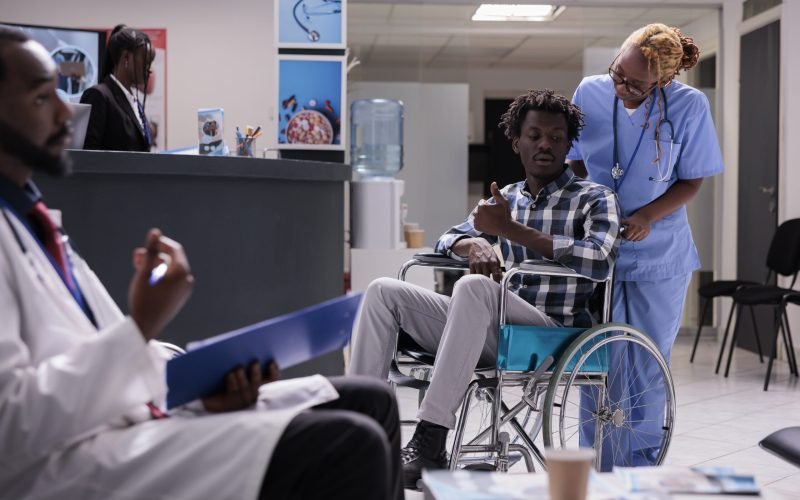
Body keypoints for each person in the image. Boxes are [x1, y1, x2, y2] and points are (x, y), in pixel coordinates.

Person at [0, 29, 402, 500]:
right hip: (74, 461)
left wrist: (196, 377)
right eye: (42, 97)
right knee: (350, 444)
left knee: (371, 400)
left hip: (127, 410)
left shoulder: (33, 221)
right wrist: (141, 326)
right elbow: (11, 427)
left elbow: (90, 347)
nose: (67, 113)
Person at [349, 89, 621, 489]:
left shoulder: (595, 198)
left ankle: (431, 440)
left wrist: (512, 232)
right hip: (494, 326)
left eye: (556, 137)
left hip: (552, 334)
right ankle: (360, 436)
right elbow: (447, 238)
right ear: (517, 143)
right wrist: (472, 242)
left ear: (568, 145)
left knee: (475, 287)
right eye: (534, 135)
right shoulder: (504, 198)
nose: (545, 144)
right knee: (383, 290)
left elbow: (600, 260)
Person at [566, 23, 724, 468]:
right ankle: (595, 461)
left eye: (636, 84)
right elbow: (575, 159)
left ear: (663, 81)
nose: (621, 87)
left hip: (659, 250)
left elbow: (693, 178)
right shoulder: (591, 91)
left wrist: (647, 216)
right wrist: (594, 208)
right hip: (600, 246)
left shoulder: (689, 105)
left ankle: (639, 465)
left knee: (646, 360)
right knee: (597, 359)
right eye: (618, 73)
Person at [80, 24, 153, 152]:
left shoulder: (133, 100)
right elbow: (89, 157)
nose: (149, 69)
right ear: (126, 58)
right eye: (145, 62)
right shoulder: (98, 96)